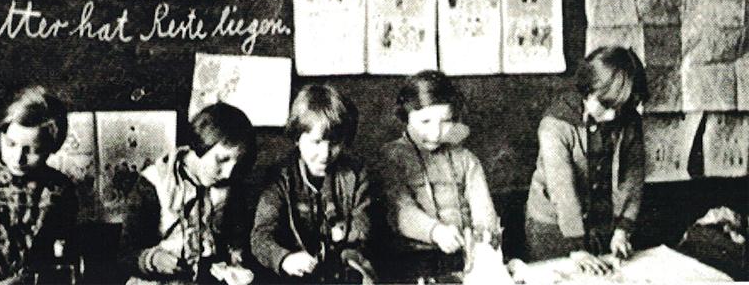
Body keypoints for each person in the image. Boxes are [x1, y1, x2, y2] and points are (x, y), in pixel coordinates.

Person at [525, 46, 647, 274]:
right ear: (587, 90)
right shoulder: (555, 125)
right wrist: (576, 246)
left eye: (619, 108)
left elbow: (632, 177)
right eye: (605, 105)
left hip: (603, 222)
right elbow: (562, 190)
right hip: (552, 228)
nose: (612, 116)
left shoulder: (628, 119)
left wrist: (623, 229)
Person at [378, 70, 502, 281]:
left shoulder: (466, 159)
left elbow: (484, 211)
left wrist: (485, 238)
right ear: (405, 117)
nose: (436, 132)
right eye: (425, 122)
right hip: (412, 261)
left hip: (464, 257)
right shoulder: (392, 157)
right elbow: (401, 210)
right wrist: (435, 231)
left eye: (446, 121)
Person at [118, 102, 257, 284]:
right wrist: (153, 259)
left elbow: (236, 240)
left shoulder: (229, 187)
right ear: (201, 145)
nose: (228, 173)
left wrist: (235, 262)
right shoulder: (153, 184)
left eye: (235, 164)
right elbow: (125, 255)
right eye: (222, 159)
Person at [0, 86, 78, 284]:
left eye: (33, 150)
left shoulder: (59, 190)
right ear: (1, 133)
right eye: (11, 144)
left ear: (52, 146)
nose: (18, 158)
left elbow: (61, 260)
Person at [251, 84, 375, 284]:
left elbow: (363, 227)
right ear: (297, 138)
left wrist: (350, 250)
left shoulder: (356, 173)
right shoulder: (280, 177)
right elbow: (261, 236)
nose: (325, 154)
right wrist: (284, 259)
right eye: (316, 142)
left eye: (334, 143)